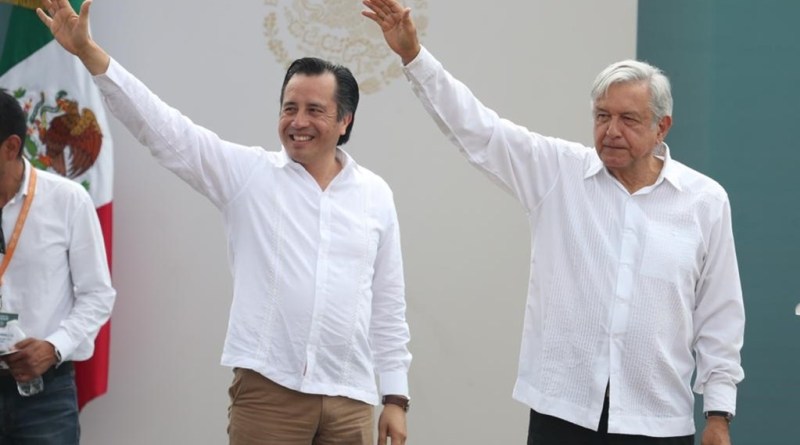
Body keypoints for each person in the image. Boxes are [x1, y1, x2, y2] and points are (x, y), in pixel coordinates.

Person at [363, 1, 744, 445]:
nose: (611, 130)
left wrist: (719, 414)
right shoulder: (558, 173)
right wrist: (414, 56)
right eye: (602, 116)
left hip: (657, 418)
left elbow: (719, 314)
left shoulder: (704, 202)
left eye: (628, 119)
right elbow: (478, 129)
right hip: (564, 411)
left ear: (663, 127)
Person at [38, 0, 412, 444]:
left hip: (351, 399)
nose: (298, 122)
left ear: (345, 121)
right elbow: (163, 128)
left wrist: (395, 397)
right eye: (289, 108)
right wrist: (90, 54)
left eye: (315, 110)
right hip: (269, 394)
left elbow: (387, 303)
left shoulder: (375, 195)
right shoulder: (249, 176)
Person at [0, 89, 116, 444]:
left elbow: (97, 295)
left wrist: (53, 347)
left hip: (44, 396)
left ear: (11, 147)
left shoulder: (68, 201)